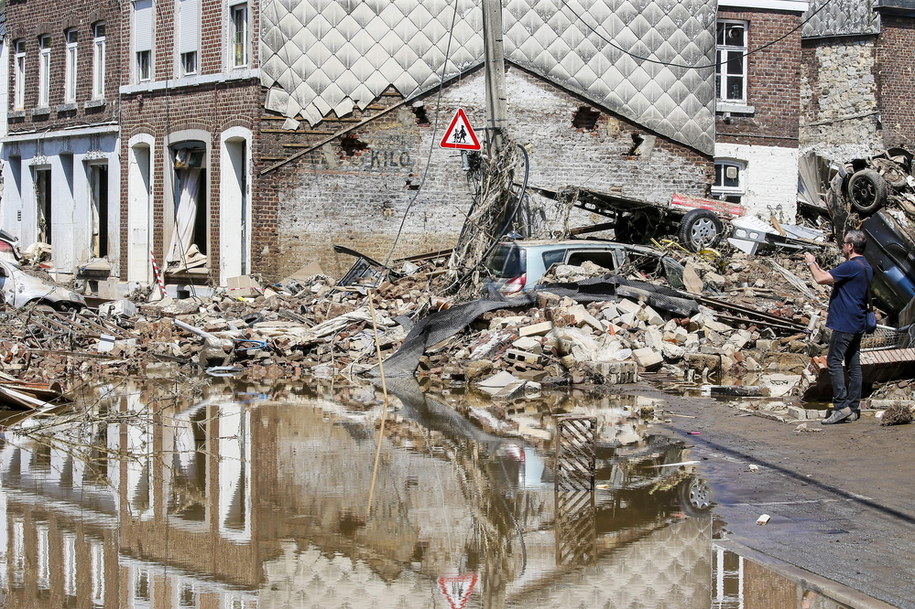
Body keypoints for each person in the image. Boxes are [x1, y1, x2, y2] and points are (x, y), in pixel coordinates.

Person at [804, 230, 873, 425]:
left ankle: (841, 406)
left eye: (844, 243)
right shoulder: (866, 266)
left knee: (834, 362)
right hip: (857, 321)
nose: (842, 246)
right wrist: (816, 264)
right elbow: (827, 276)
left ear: (850, 246)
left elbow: (820, 279)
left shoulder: (851, 266)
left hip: (845, 322)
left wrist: (810, 262)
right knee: (853, 364)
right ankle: (853, 408)